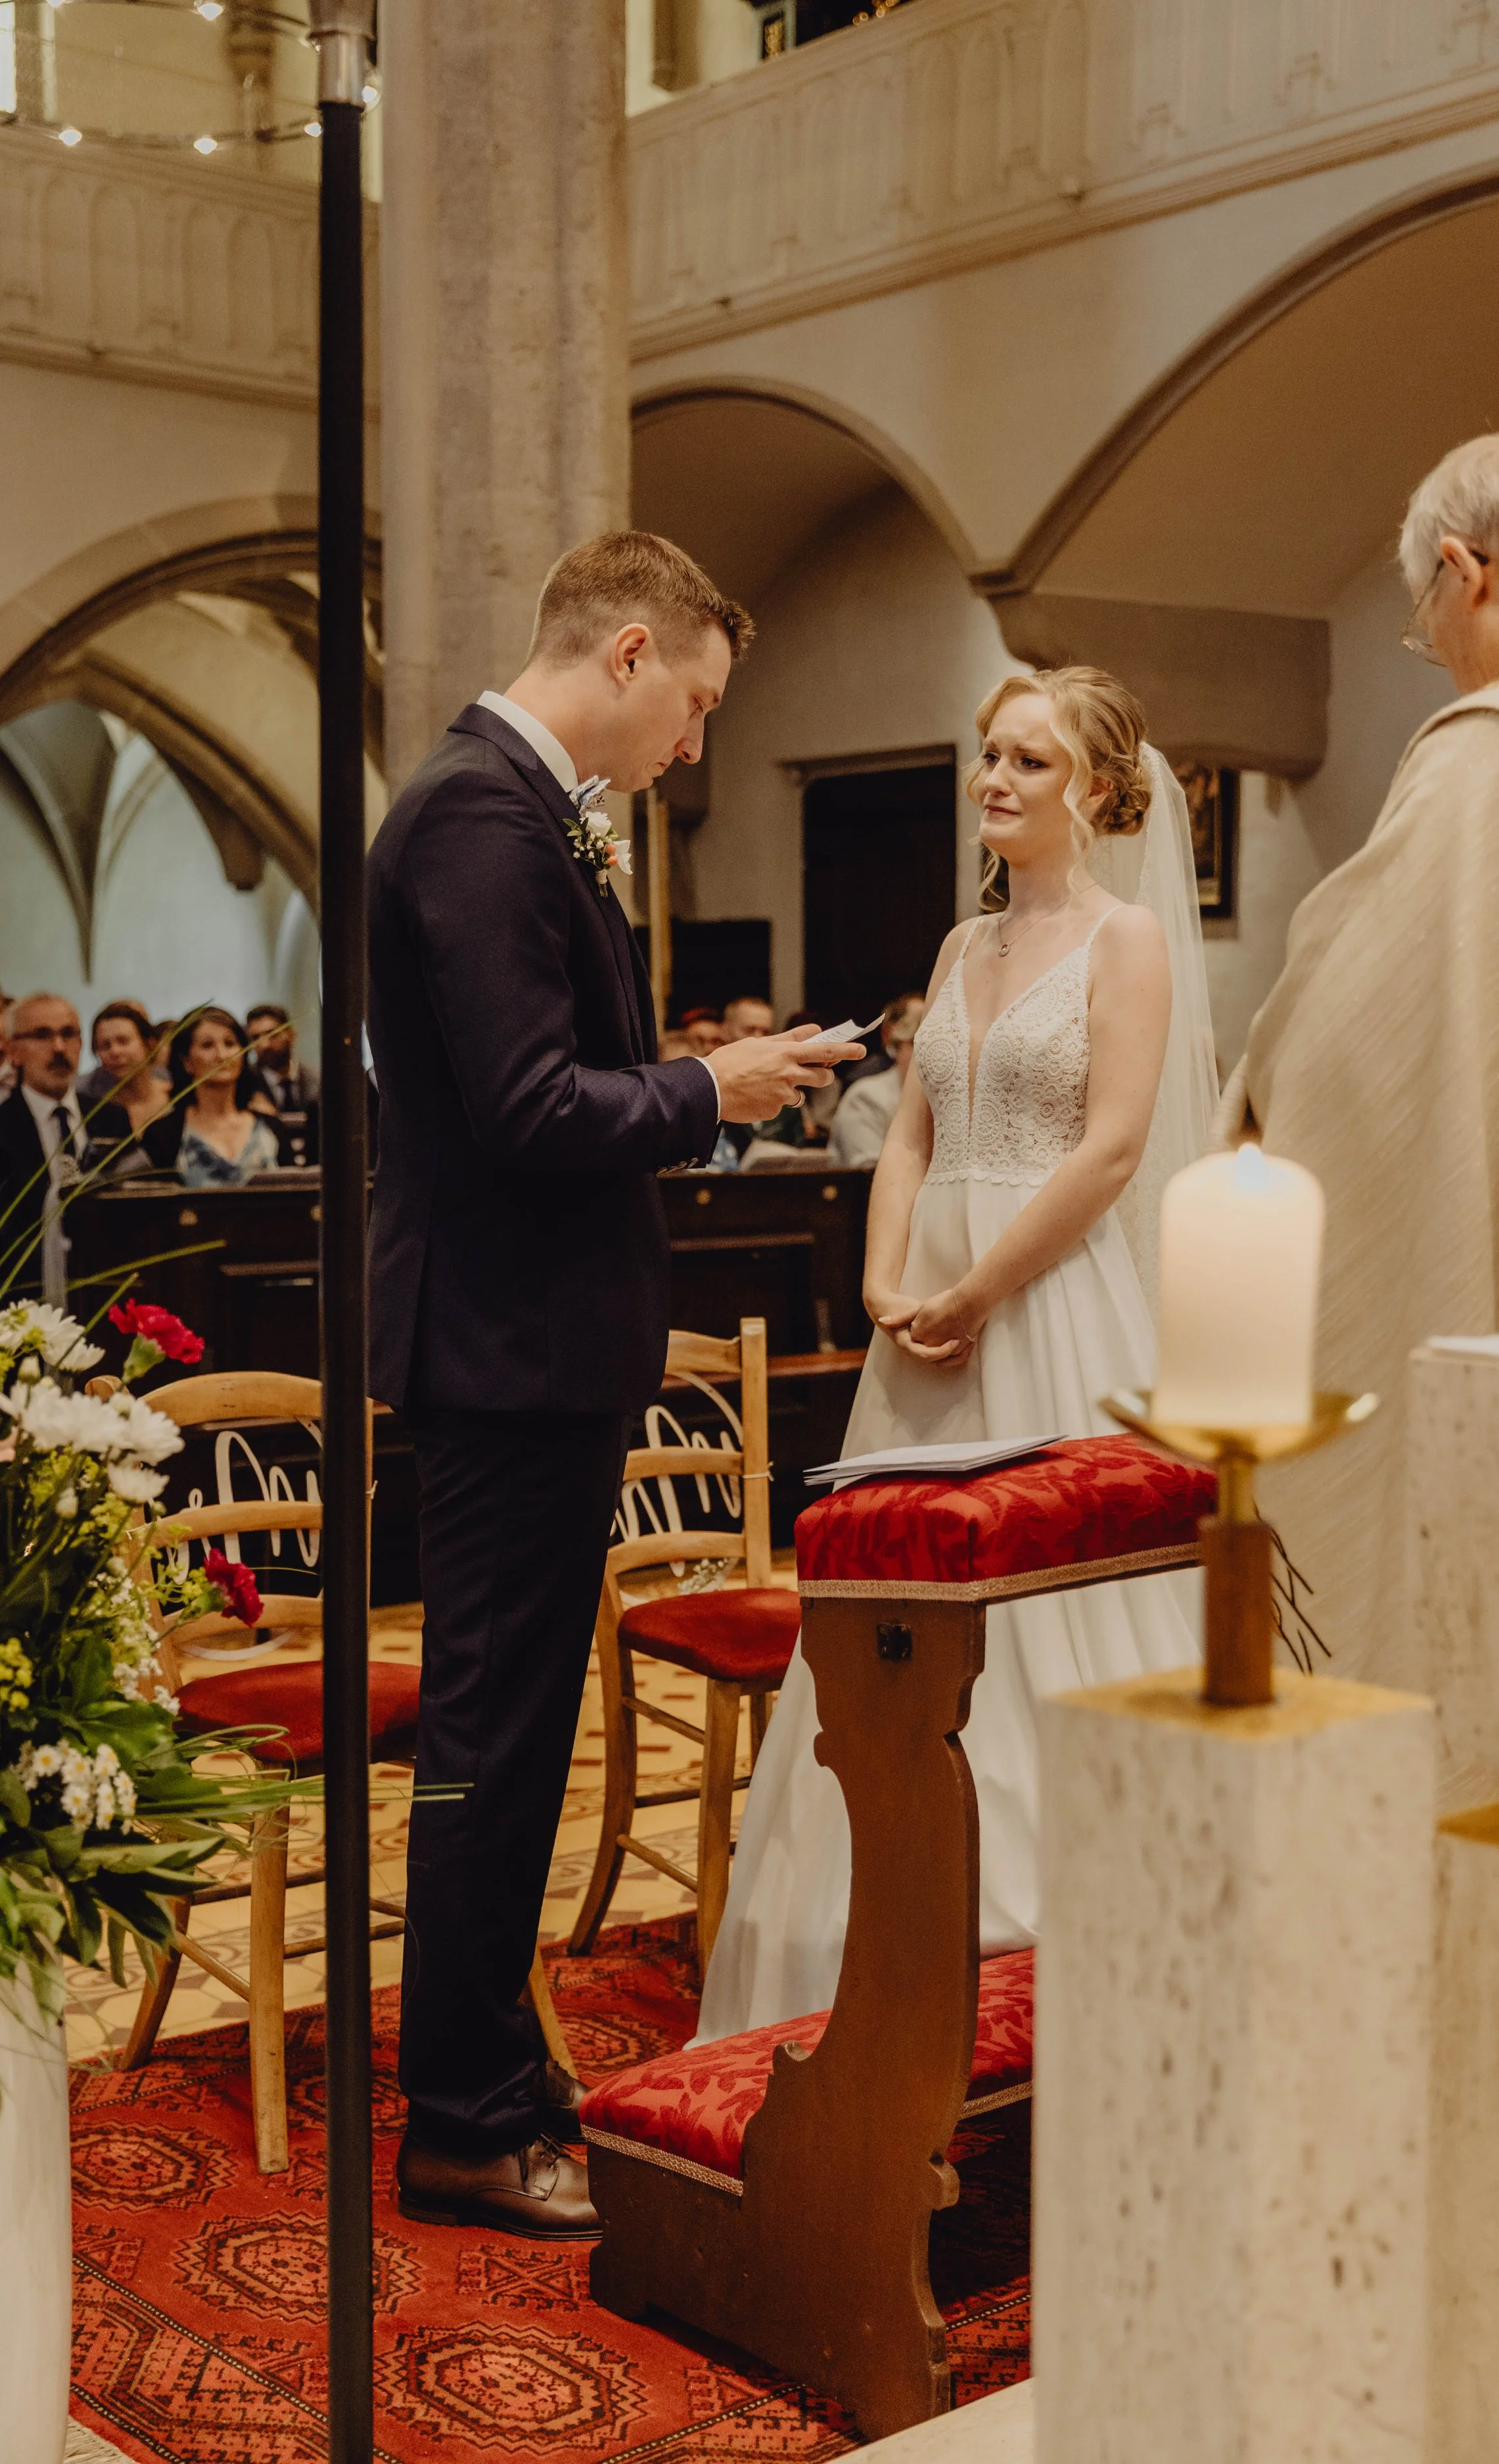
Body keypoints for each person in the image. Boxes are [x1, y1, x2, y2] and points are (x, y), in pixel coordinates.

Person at [365, 530, 863, 2239]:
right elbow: (525, 1108)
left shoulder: (506, 811)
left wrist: (712, 1077)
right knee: (493, 1747)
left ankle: (492, 2068)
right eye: (701, 706)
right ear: (632, 652)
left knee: (504, 1740)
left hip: (528, 1344)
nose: (696, 747)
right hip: (504, 1351)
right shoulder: (477, 818)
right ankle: (463, 2116)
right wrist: (710, 1084)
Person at [696, 665, 1219, 2042]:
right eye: (988, 756)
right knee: (890, 1612)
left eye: (1028, 764)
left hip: (1047, 1299)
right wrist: (883, 1272)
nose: (993, 780)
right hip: (918, 1315)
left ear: (1096, 793)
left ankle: (1063, 1948)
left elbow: (1109, 1146)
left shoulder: (1126, 944)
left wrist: (984, 1282)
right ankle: (860, 1945)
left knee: (1059, 1609)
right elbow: (914, 1131)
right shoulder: (956, 948)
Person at [1217, 430, 1499, 1695]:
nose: (1444, 660)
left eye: (1428, 627)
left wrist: (1242, 1121)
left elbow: (1348, 1056)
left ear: (1467, 571)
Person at [0, 992, 88, 1301]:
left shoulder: (110, 1117)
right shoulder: (3, 1126)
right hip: (23, 1303)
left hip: (102, 1294)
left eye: (68, 1034)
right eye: (42, 1035)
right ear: (13, 1051)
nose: (59, 1048)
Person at [153, 1009, 283, 1188]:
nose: (222, 1056)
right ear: (186, 1062)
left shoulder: (272, 1127)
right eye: (207, 1046)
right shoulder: (162, 1134)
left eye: (230, 1044)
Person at [826, 993, 925, 1166]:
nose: (925, 1055)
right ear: (899, 1047)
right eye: (917, 1044)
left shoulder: (944, 1100)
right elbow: (870, 1170)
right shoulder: (866, 1097)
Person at [80, 1001, 170, 1167]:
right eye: (105, 1045)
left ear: (148, 1044)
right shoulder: (97, 1110)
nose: (115, 1052)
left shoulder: (174, 1096)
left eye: (123, 1041)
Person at [246, 1003, 319, 1113]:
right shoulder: (245, 1085)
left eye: (273, 1035)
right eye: (256, 1038)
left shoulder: (318, 1080)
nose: (264, 1045)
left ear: (291, 1035)